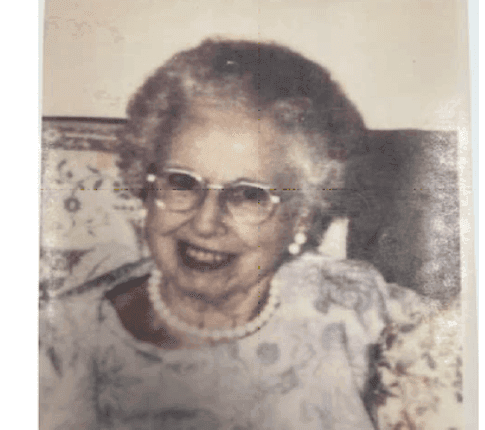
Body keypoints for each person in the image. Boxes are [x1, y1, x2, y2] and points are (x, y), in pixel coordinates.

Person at [39, 38, 461, 430]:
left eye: (248, 195)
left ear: (302, 216)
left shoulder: (359, 307)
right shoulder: (62, 347)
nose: (205, 223)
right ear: (146, 189)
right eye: (182, 182)